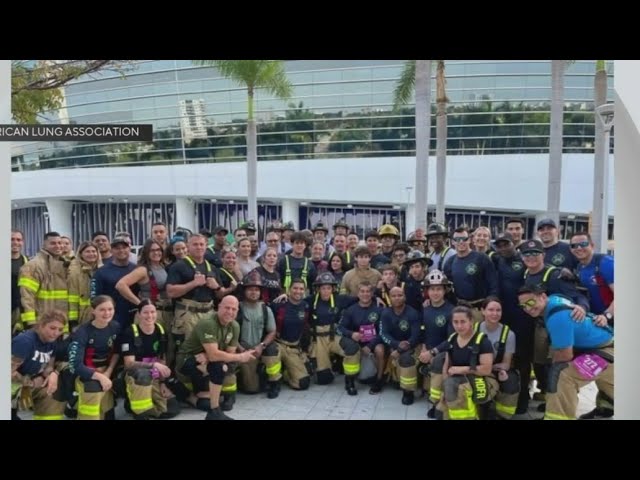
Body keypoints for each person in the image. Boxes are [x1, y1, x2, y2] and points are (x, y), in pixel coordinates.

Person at [518, 286, 614, 420]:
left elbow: (565, 355)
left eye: (530, 302)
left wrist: (552, 370)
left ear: (543, 297)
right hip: (603, 347)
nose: (527, 309)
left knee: (561, 374)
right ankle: (607, 407)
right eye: (523, 306)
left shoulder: (556, 317)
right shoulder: (554, 300)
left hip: (608, 351)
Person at [176, 295, 256, 420]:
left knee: (222, 367)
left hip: (205, 362)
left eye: (233, 309)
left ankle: (196, 398)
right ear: (219, 307)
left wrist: (209, 355)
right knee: (219, 367)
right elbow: (218, 356)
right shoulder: (208, 323)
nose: (229, 312)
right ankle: (214, 411)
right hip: (187, 360)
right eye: (226, 308)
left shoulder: (234, 326)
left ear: (237, 311)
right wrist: (240, 356)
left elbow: (227, 354)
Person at [119, 300, 180, 419]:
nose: (150, 316)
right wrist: (153, 366)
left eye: (153, 312)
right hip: (135, 374)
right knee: (143, 374)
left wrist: (163, 383)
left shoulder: (160, 331)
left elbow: (162, 359)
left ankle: (136, 403)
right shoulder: (130, 332)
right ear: (139, 314)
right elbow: (129, 364)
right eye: (146, 312)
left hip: (154, 375)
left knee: (171, 409)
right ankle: (141, 412)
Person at [436, 306, 498, 420]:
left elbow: (486, 369)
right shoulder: (452, 338)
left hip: (480, 377)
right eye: (456, 322)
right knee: (442, 405)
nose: (459, 326)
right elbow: (447, 362)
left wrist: (460, 369)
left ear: (471, 321)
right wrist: (444, 384)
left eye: (463, 322)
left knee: (456, 389)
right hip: (457, 378)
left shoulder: (483, 341)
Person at [68, 295, 121, 420]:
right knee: (93, 388)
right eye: (102, 309)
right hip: (86, 373)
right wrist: (100, 377)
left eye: (110, 309)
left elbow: (117, 352)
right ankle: (74, 405)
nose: (107, 313)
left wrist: (108, 372)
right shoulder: (82, 332)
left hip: (107, 371)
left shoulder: (115, 327)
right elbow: (75, 365)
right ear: (93, 311)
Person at [11, 310, 67, 420]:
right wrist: (30, 383)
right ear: (41, 325)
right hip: (13, 385)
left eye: (60, 330)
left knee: (53, 389)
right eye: (52, 328)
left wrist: (51, 375)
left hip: (29, 384)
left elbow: (49, 366)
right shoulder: (25, 341)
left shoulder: (52, 342)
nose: (56, 333)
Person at [235, 274, 281, 399]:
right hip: (241, 349)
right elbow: (229, 334)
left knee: (272, 350)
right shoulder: (236, 308)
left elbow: (272, 332)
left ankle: (274, 382)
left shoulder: (266, 309)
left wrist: (261, 346)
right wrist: (241, 350)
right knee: (251, 389)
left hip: (259, 349)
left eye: (257, 289)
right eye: (250, 289)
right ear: (244, 291)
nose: (254, 292)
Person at [478, 297, 519, 419]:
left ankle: (503, 415)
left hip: (497, 370)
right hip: (476, 370)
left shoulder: (509, 334)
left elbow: (506, 364)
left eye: (498, 310)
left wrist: (496, 369)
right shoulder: (474, 329)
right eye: (491, 310)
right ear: (482, 311)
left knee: (511, 381)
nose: (495, 314)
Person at [18, 231, 68, 331]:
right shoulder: (33, 266)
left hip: (61, 324)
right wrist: (30, 323)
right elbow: (26, 296)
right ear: (44, 245)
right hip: (41, 323)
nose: (58, 246)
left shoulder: (66, 265)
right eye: (53, 243)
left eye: (59, 243)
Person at [67, 241, 102, 330]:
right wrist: (73, 320)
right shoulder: (74, 271)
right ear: (81, 254)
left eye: (94, 251)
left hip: (101, 314)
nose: (91, 254)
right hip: (82, 316)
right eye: (87, 251)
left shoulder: (102, 270)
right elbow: (72, 297)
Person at [11, 229, 29, 335]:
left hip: (21, 310)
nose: (15, 242)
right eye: (12, 239)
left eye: (18, 240)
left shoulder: (28, 261)